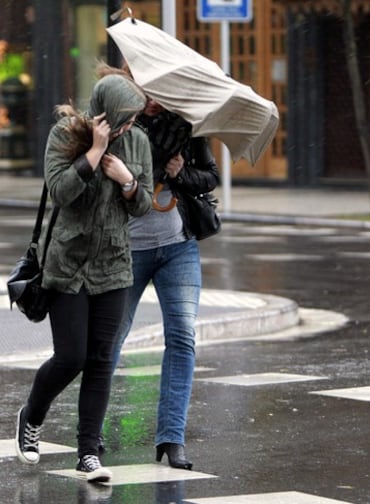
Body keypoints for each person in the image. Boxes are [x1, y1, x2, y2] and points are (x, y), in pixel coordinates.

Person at [15, 73, 153, 483]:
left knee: (101, 360)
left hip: (113, 265)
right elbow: (59, 191)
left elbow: (143, 204)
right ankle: (31, 416)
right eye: (124, 120)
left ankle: (88, 452)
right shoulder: (64, 133)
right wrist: (93, 154)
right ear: (105, 113)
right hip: (67, 263)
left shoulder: (138, 143)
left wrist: (127, 181)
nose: (129, 128)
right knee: (71, 356)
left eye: (132, 121)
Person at [111, 94, 220, 471]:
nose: (155, 100)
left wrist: (179, 174)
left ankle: (173, 438)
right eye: (148, 91)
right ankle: (89, 436)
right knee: (111, 339)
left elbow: (210, 176)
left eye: (161, 93)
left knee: (182, 338)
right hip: (129, 250)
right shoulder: (119, 124)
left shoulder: (186, 127)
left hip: (179, 247)